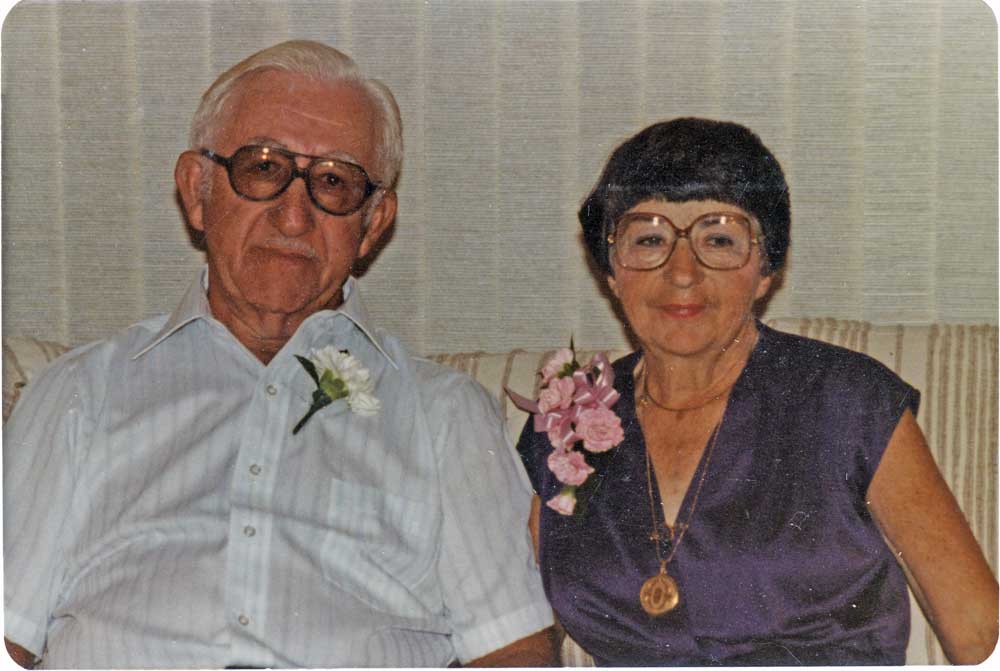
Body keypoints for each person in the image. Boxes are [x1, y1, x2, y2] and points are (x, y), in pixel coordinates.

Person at [4, 40, 555, 668]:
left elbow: (514, 650)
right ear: (197, 191)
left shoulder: (445, 414)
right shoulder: (79, 392)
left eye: (333, 182)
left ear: (373, 224)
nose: (294, 217)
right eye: (262, 168)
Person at [516, 118, 997, 665]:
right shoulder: (566, 421)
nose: (682, 272)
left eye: (718, 239)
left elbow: (978, 633)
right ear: (610, 270)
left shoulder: (848, 401)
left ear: (766, 270)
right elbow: (516, 632)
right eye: (649, 239)